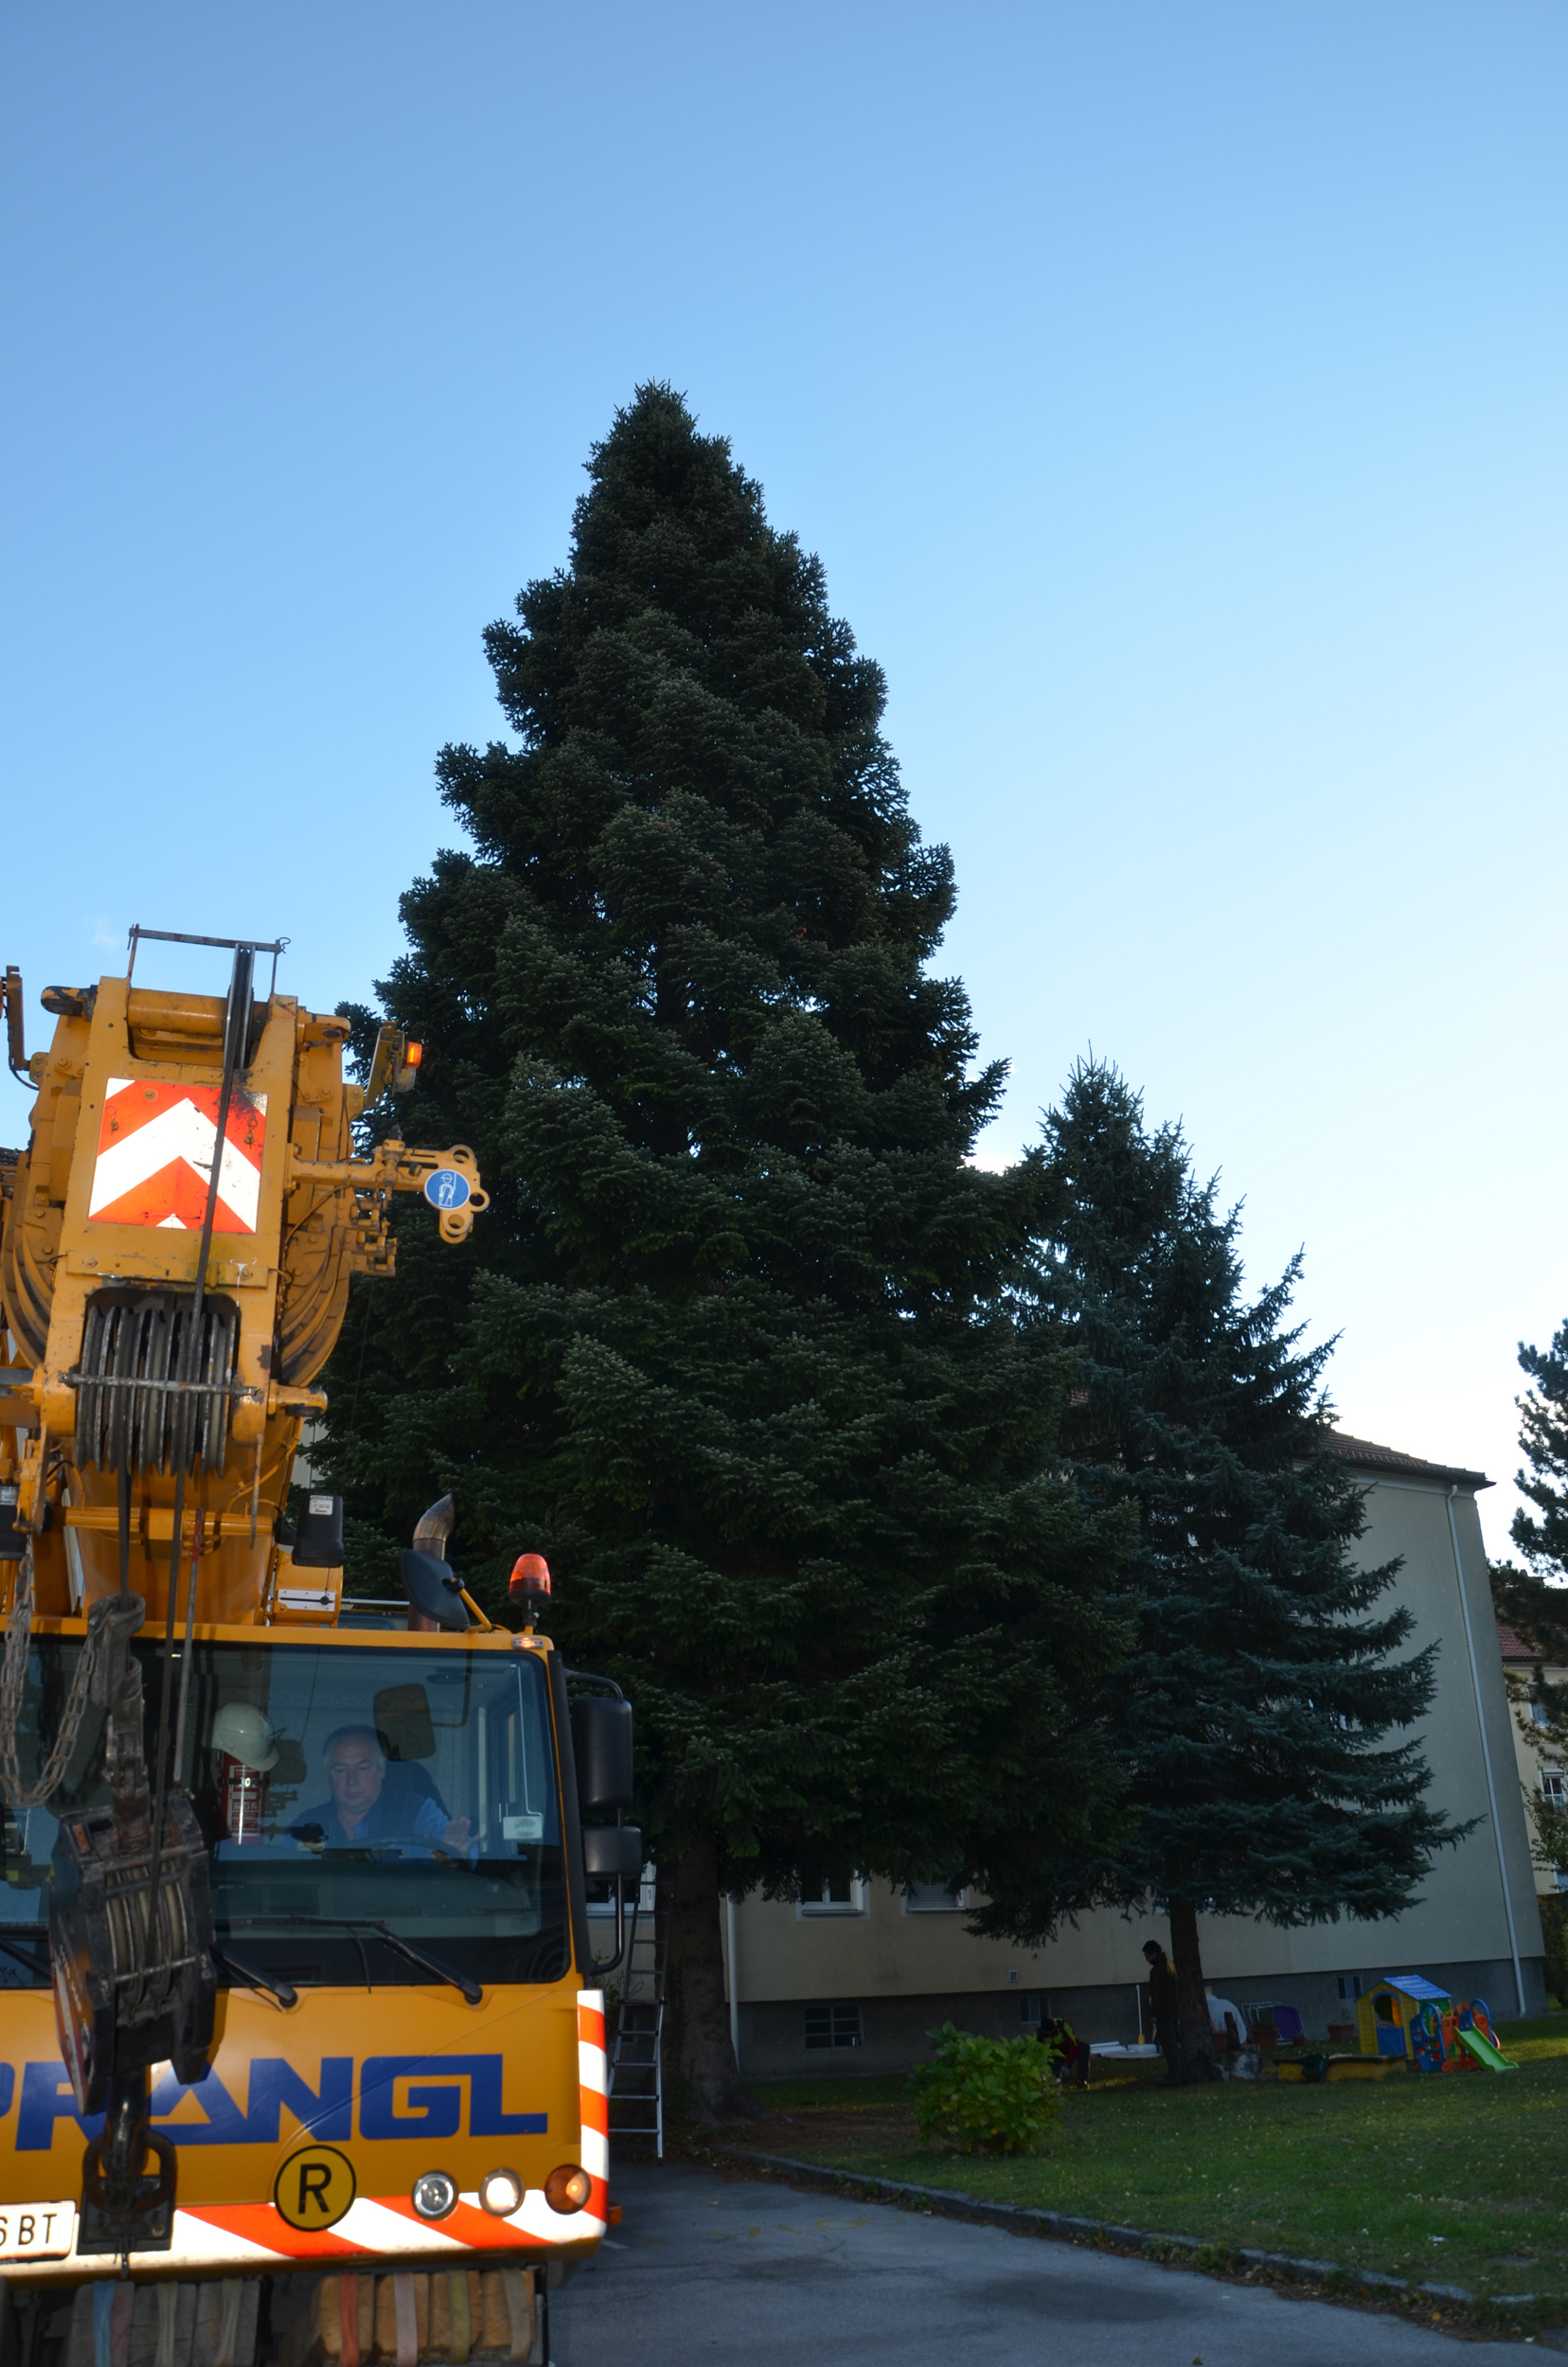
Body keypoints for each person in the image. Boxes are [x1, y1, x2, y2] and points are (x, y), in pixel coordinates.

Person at [289, 1725, 473, 1855]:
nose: (352, 1780)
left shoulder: (416, 1810)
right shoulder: (307, 1825)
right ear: (329, 1776)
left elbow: (465, 1847)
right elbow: (284, 1876)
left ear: (381, 1770)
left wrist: (455, 1853)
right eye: (341, 1770)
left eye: (362, 1768)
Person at [1143, 1938, 1180, 2082]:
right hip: (1172, 2011)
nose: (1147, 1960)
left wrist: (1154, 2013)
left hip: (1164, 2013)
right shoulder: (1170, 1965)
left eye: (1148, 1956)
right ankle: (1178, 2074)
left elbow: (1158, 1995)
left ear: (1154, 1954)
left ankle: (1174, 2076)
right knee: (1174, 2044)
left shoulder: (1158, 1970)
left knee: (1169, 2046)